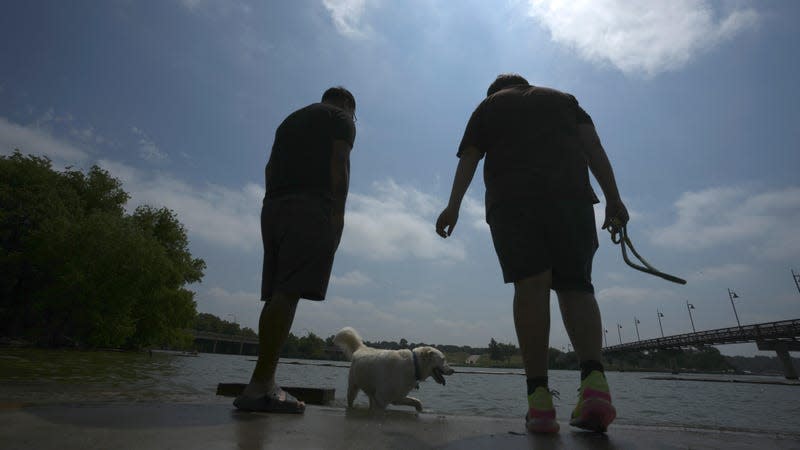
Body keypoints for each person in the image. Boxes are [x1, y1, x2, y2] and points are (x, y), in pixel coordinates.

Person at [436, 74, 628, 433]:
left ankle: (539, 403)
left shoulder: (488, 106)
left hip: (513, 202)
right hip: (572, 197)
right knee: (576, 286)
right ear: (525, 84)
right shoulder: (564, 98)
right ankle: (596, 389)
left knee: (530, 286)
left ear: (497, 90)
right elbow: (594, 148)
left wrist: (453, 207)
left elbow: (471, 156)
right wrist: (614, 199)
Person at [234, 87, 356, 413]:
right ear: (346, 103)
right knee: (287, 293)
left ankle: (262, 380)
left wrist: (273, 201)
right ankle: (260, 386)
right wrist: (338, 214)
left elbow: (269, 168)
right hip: (311, 206)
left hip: (273, 205)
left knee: (277, 293)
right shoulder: (341, 117)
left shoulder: (290, 120)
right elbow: (340, 163)